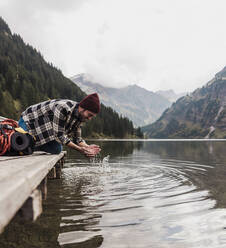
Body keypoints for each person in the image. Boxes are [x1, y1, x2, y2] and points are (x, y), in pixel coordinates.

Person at [18, 93, 101, 157]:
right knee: (21, 148)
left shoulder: (80, 117)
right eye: (90, 115)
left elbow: (77, 139)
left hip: (44, 133)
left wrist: (87, 147)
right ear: (83, 108)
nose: (90, 118)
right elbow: (59, 136)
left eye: (92, 117)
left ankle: (32, 145)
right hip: (28, 123)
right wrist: (80, 150)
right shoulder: (63, 108)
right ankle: (30, 145)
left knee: (57, 149)